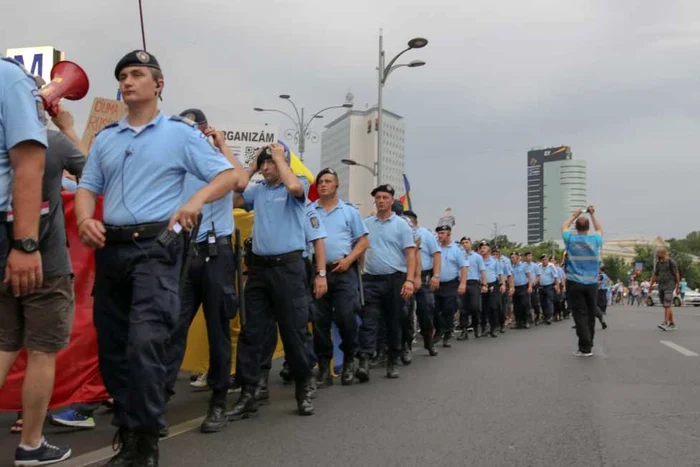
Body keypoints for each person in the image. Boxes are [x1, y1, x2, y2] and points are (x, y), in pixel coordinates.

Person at [76, 50, 240, 465]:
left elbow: (229, 176)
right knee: (113, 350)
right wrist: (82, 218)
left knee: (146, 342)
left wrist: (196, 200)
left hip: (156, 250)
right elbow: (87, 186)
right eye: (122, 75)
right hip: (112, 251)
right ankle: (130, 434)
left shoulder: (180, 135)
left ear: (158, 84)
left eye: (136, 74)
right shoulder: (107, 138)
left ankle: (146, 441)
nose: (127, 81)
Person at [0, 56, 74, 466]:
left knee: (5, 343)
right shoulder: (10, 80)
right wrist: (25, 245)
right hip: (35, 253)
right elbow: (31, 163)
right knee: (41, 350)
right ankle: (31, 444)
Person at [164, 108, 249, 434]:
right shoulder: (180, 161)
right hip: (183, 253)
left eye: (196, 130)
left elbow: (240, 181)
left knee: (218, 330)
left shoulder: (219, 162)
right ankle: (159, 400)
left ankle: (217, 401)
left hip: (217, 253)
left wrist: (221, 145)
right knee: (173, 327)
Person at [229, 143, 327, 418]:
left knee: (294, 332)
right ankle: (250, 392)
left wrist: (280, 158)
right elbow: (235, 196)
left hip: (290, 269)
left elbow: (296, 188)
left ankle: (304, 387)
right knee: (252, 332)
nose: (266, 167)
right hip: (260, 271)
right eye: (263, 163)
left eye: (270, 162)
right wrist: (250, 166)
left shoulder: (297, 186)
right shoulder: (258, 191)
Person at [311, 168, 369, 386]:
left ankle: (348, 363)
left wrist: (348, 260)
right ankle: (324, 368)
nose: (324, 185)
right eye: (321, 182)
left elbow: (363, 242)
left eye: (328, 181)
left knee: (346, 318)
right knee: (319, 321)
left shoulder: (349, 211)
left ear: (337, 185)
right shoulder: (309, 210)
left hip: (343, 271)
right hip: (317, 273)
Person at [355, 184, 416, 381]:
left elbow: (410, 254)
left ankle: (392, 360)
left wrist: (409, 280)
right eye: (378, 197)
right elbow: (361, 250)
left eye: (385, 197)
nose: (381, 201)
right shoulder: (366, 224)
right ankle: (364, 359)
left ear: (392, 200)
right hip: (370, 279)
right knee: (369, 320)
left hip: (395, 279)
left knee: (393, 321)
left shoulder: (401, 225)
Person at [561, 206, 604, 357]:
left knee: (580, 314)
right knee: (590, 313)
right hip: (591, 283)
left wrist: (575, 215)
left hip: (575, 282)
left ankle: (584, 346)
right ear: (588, 227)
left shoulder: (571, 239)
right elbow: (599, 229)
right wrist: (592, 214)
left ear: (576, 227)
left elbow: (564, 226)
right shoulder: (595, 240)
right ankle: (589, 345)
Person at [403, 211, 440, 356]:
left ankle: (428, 341)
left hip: (423, 277)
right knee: (405, 312)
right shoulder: (399, 231)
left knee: (425, 311)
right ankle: (406, 346)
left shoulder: (425, 234)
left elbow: (436, 254)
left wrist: (436, 276)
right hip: (405, 276)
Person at [433, 225, 467, 347]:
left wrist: (463, 283)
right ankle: (440, 329)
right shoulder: (435, 247)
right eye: (439, 233)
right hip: (436, 284)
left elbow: (463, 267)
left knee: (448, 310)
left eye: (442, 233)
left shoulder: (457, 249)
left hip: (451, 284)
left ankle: (447, 333)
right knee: (434, 309)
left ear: (449, 233)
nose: (440, 235)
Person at [458, 237, 487, 339]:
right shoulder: (458, 256)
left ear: (471, 244)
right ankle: (464, 330)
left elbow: (482, 271)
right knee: (462, 308)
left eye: (467, 242)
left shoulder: (477, 257)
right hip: (461, 283)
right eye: (463, 243)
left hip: (474, 283)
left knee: (475, 307)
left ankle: (476, 326)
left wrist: (484, 284)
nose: (465, 244)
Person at [649, 248, 680, 331]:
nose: (657, 255)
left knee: (667, 303)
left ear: (663, 253)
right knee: (666, 305)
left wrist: (678, 287)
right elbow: (655, 275)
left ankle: (665, 323)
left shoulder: (671, 262)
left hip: (670, 284)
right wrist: (651, 285)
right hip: (661, 285)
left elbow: (677, 274)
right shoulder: (659, 263)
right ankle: (672, 323)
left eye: (658, 253)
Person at [478, 241, 505, 338]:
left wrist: (502, 284)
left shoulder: (495, 261)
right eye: (481, 247)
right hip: (480, 285)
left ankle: (493, 328)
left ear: (489, 250)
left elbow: (500, 273)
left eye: (484, 247)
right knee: (483, 308)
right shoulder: (478, 260)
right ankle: (484, 327)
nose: (482, 249)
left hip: (493, 285)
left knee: (493, 307)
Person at [493, 246, 513, 333]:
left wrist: (511, 286)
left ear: (500, 254)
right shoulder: (489, 262)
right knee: (494, 305)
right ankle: (495, 323)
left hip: (503, 284)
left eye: (497, 254)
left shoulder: (505, 262)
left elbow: (509, 275)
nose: (495, 255)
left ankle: (502, 322)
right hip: (493, 284)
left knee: (503, 305)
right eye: (493, 254)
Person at [510, 252, 533, 329]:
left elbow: (529, 277)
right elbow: (511, 278)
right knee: (517, 306)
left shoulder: (524, 265)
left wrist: (530, 287)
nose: (512, 259)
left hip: (523, 287)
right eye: (511, 257)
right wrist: (511, 288)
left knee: (524, 304)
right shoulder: (511, 267)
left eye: (513, 257)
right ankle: (518, 322)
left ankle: (526, 321)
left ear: (517, 257)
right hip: (515, 288)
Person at [538, 255, 560, 325]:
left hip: (549, 286)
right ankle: (545, 316)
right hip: (541, 286)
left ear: (548, 260)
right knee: (542, 302)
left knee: (549, 301)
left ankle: (550, 316)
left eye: (546, 259)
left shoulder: (551, 266)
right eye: (543, 260)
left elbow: (556, 277)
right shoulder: (539, 266)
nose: (544, 261)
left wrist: (557, 286)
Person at [524, 252, 542, 325]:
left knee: (535, 302)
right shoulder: (523, 265)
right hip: (525, 285)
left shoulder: (535, 266)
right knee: (527, 303)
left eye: (531, 256)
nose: (529, 257)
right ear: (525, 257)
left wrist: (535, 282)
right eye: (528, 256)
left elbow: (539, 275)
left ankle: (537, 316)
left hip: (533, 285)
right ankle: (529, 317)